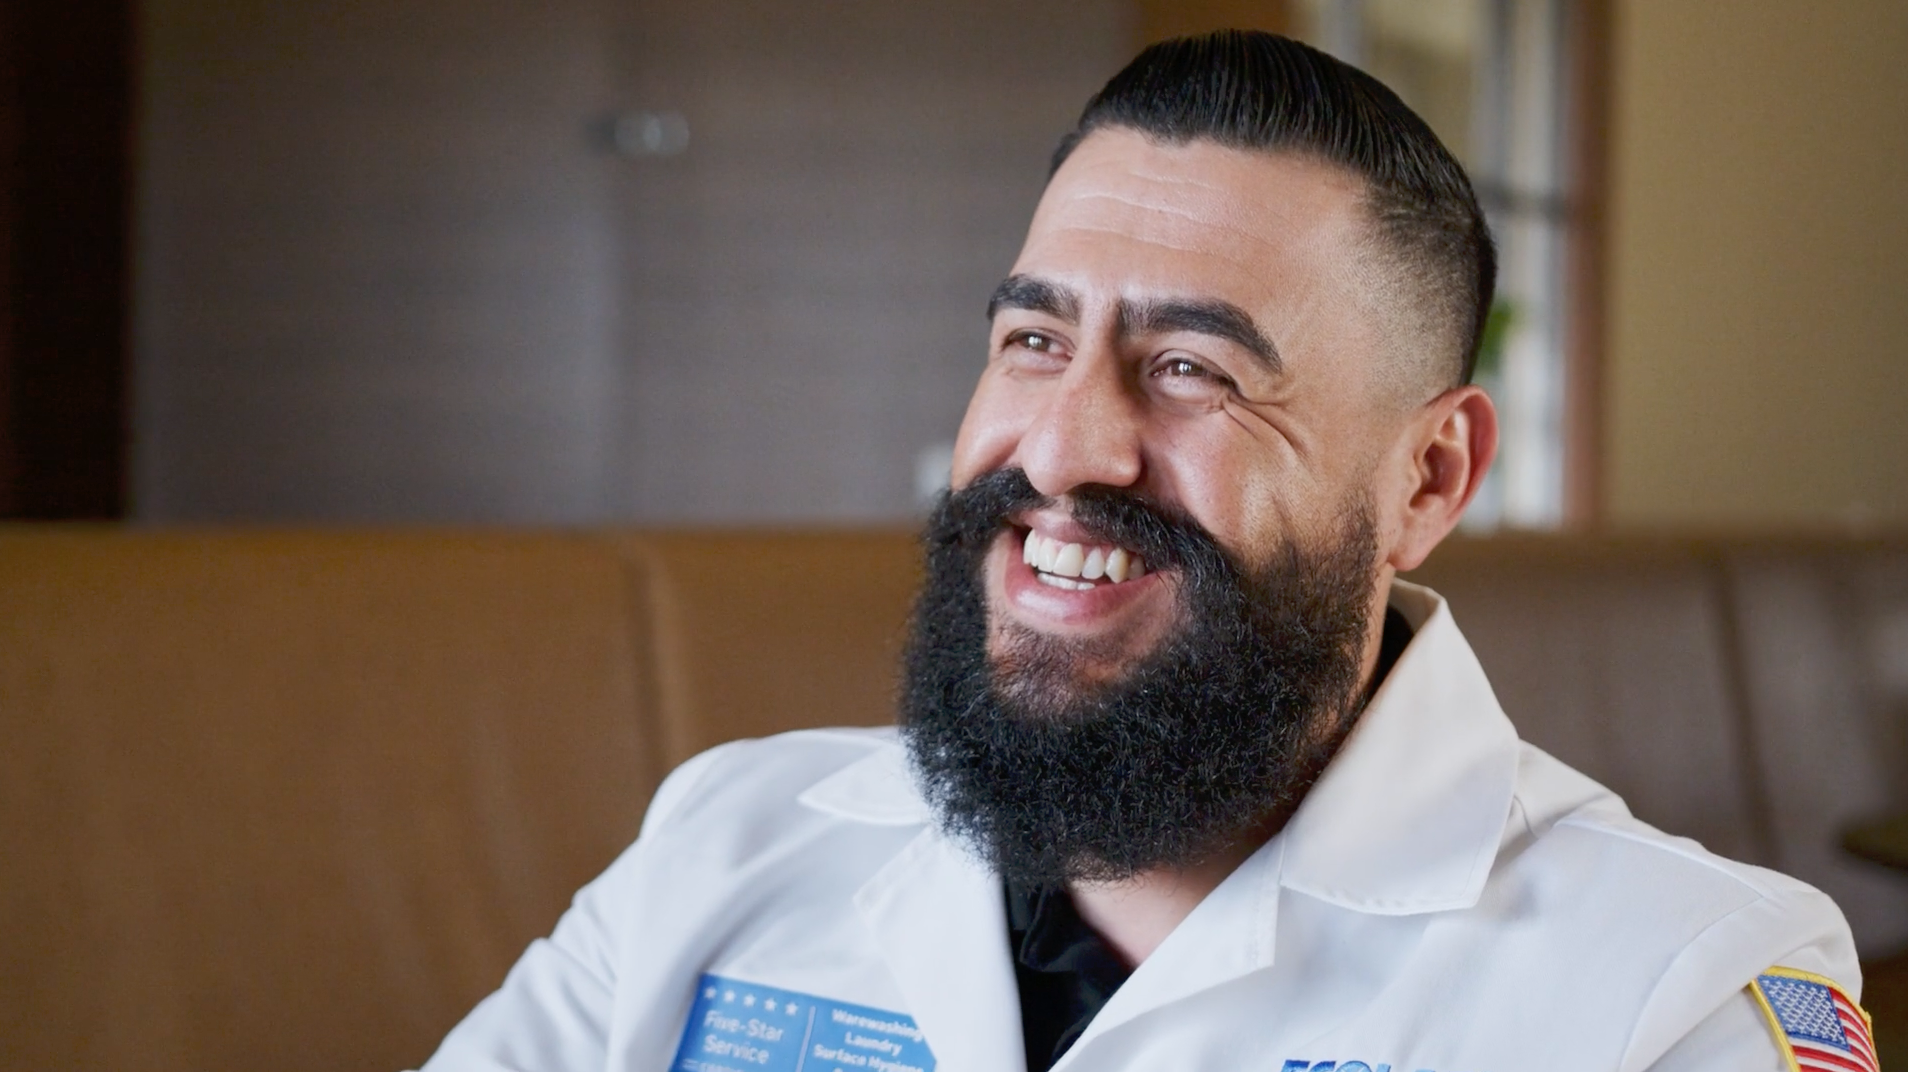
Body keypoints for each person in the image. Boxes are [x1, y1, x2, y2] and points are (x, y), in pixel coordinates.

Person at [420, 31, 1871, 1072]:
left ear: (1428, 476)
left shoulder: (1680, 990)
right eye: (1034, 341)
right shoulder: (724, 843)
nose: (1061, 452)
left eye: (1192, 369)